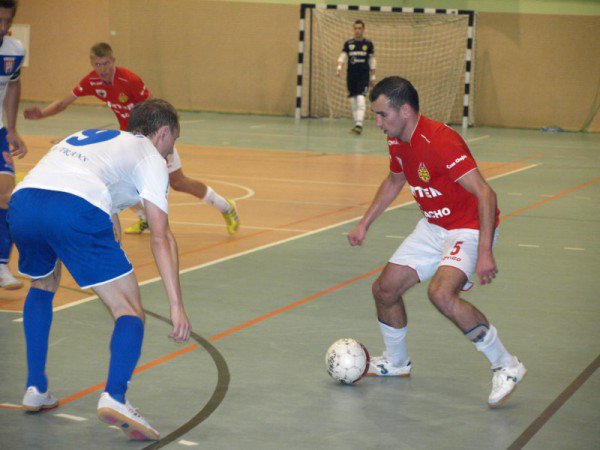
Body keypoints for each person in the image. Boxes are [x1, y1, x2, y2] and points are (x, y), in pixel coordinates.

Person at [8, 99, 191, 440]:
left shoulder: (100, 139)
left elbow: (100, 196)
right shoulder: (150, 156)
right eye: (173, 142)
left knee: (42, 285)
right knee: (130, 310)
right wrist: (177, 305)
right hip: (74, 208)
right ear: (163, 132)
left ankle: (35, 388)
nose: (170, 153)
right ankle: (115, 396)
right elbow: (161, 236)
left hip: (24, 204)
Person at [348, 76, 526, 408]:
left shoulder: (441, 141)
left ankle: (507, 365)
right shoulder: (397, 140)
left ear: (405, 110)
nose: (378, 123)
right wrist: (364, 224)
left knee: (442, 294)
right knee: (384, 290)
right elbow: (395, 180)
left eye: (382, 114)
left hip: (468, 228)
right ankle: (396, 363)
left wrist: (485, 252)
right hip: (434, 226)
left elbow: (486, 194)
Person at [23, 42, 239, 235]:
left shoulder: (130, 80)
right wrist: (41, 114)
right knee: (116, 177)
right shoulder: (92, 81)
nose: (103, 69)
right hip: (128, 140)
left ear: (113, 61)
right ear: (92, 64)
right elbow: (63, 103)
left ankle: (226, 206)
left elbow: (155, 111)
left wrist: (164, 148)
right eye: (98, 65)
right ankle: (145, 217)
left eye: (106, 63)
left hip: (153, 138)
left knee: (178, 182)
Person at [0, 0, 26, 289]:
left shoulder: (14, 50)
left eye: (7, 21)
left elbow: (13, 84)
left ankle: (1, 264)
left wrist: (11, 128)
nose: (2, 27)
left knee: (6, 195)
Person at [336, 20, 376, 135]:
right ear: (353, 29)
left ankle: (359, 124)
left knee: (360, 98)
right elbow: (343, 56)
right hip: (351, 75)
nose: (358, 30)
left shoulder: (368, 44)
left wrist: (373, 76)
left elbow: (372, 60)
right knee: (353, 100)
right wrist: (339, 67)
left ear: (363, 29)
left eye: (360, 28)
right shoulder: (349, 43)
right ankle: (357, 125)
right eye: (356, 28)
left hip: (363, 75)